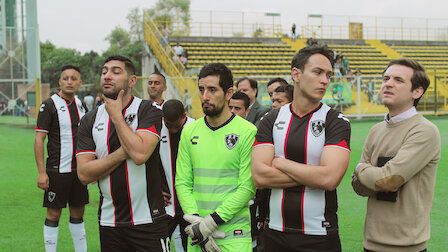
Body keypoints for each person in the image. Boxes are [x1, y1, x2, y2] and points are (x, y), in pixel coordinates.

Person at [251, 45, 351, 252]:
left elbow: (329, 179)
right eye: (317, 72)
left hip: (320, 235)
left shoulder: (336, 121)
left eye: (328, 75)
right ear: (296, 74)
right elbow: (260, 177)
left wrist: (281, 163)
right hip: (274, 234)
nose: (324, 80)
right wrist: (314, 174)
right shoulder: (270, 119)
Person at [76, 55, 170, 251]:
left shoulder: (148, 109)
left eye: (115, 72)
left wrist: (117, 117)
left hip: (148, 220)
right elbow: (84, 174)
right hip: (110, 223)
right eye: (104, 72)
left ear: (132, 80)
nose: (107, 76)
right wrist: (121, 153)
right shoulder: (89, 120)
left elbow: (139, 155)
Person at [351, 59, 441, 252]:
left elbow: (389, 180)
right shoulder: (376, 130)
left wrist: (361, 169)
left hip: (407, 246)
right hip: (371, 242)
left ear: (417, 92)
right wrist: (372, 176)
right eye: (386, 78)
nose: (388, 83)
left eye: (398, 80)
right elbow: (358, 186)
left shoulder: (424, 131)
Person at [175, 63, 257, 252]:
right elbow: (182, 182)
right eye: (202, 89)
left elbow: (247, 187)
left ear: (229, 93)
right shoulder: (189, 132)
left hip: (234, 235)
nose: (205, 96)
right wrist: (197, 221)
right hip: (197, 234)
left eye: (212, 90)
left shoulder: (247, 132)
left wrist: (212, 221)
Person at [34, 65, 88, 252]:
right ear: (60, 82)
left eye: (74, 78)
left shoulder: (81, 105)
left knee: (78, 212)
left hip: (80, 171)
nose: (70, 81)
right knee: (53, 213)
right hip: (57, 171)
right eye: (66, 78)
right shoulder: (49, 105)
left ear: (79, 83)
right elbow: (39, 139)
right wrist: (42, 173)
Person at [159, 99, 195, 252]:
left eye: (177, 126)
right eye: (169, 126)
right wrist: (156, 189)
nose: (173, 130)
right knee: (158, 245)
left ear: (184, 116)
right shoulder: (156, 128)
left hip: (191, 203)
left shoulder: (196, 128)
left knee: (193, 246)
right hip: (166, 203)